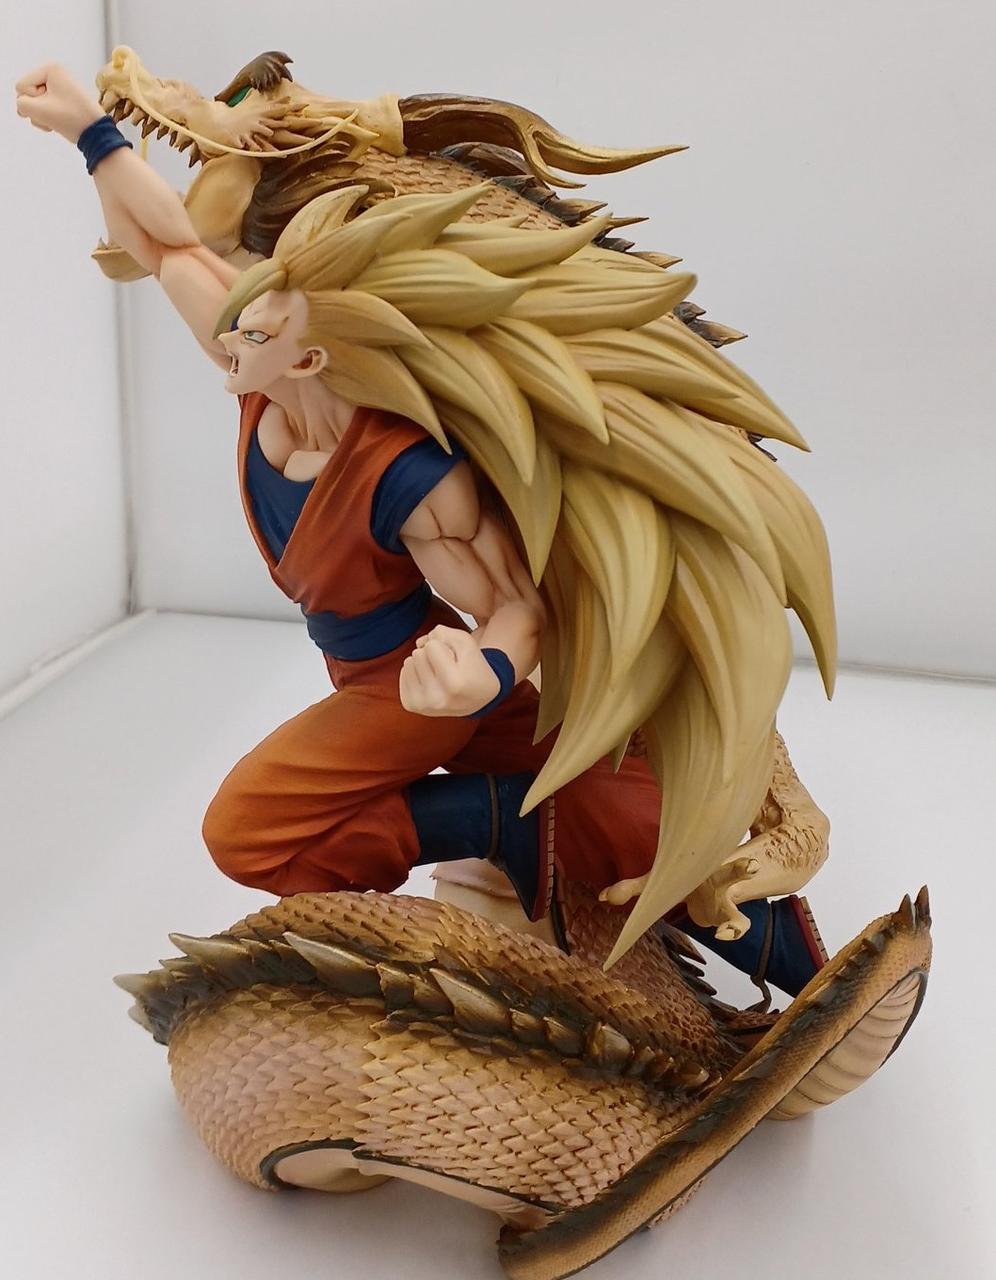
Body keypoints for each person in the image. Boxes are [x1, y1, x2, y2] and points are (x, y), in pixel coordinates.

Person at [15, 62, 828, 996]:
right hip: (384, 678)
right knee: (614, 816)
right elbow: (165, 246)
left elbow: (516, 608)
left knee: (249, 833)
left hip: (407, 682)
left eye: (252, 331)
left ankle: (494, 829)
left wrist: (478, 675)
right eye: (238, 317)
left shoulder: (408, 472)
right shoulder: (262, 377)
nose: (223, 336)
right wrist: (90, 134)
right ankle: (519, 830)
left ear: (312, 355)